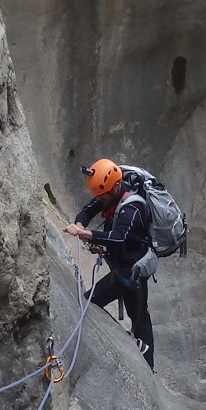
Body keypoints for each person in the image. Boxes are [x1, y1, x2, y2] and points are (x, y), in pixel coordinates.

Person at [63, 158, 156, 371]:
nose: (99, 198)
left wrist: (86, 234)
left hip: (131, 270)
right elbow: (87, 211)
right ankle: (147, 364)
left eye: (102, 194)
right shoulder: (108, 193)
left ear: (115, 186)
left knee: (89, 302)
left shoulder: (132, 207)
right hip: (123, 265)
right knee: (140, 316)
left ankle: (139, 357)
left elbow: (119, 237)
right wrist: (80, 225)